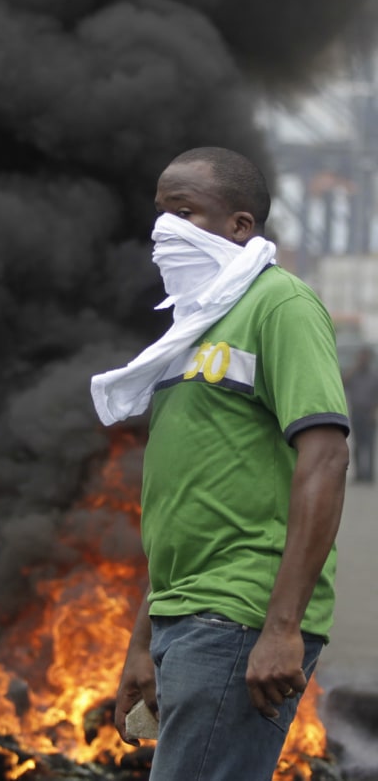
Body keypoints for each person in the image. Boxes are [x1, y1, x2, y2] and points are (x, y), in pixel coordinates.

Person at [90, 147, 350, 781]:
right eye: (159, 214)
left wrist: (282, 626)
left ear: (240, 225)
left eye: (184, 212)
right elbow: (188, 499)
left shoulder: (278, 305)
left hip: (242, 613)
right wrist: (144, 642)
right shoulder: (189, 332)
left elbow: (326, 459)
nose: (164, 231)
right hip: (187, 613)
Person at [342, 346, 378, 483]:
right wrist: (353, 369)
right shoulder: (353, 374)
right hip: (356, 413)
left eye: (365, 357)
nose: (363, 359)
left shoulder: (374, 376)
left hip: (369, 413)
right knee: (357, 445)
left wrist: (375, 412)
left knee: (369, 445)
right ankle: (359, 474)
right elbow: (343, 384)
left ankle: (369, 475)